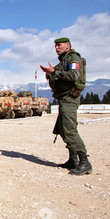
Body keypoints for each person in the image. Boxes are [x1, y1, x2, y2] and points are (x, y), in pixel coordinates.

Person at [40, 37, 92, 175]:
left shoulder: (73, 58)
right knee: (63, 129)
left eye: (59, 45)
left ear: (67, 46)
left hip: (70, 97)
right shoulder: (63, 61)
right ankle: (73, 160)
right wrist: (50, 74)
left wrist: (54, 72)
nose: (56, 48)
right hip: (63, 98)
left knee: (69, 129)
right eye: (55, 46)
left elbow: (73, 75)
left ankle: (85, 162)